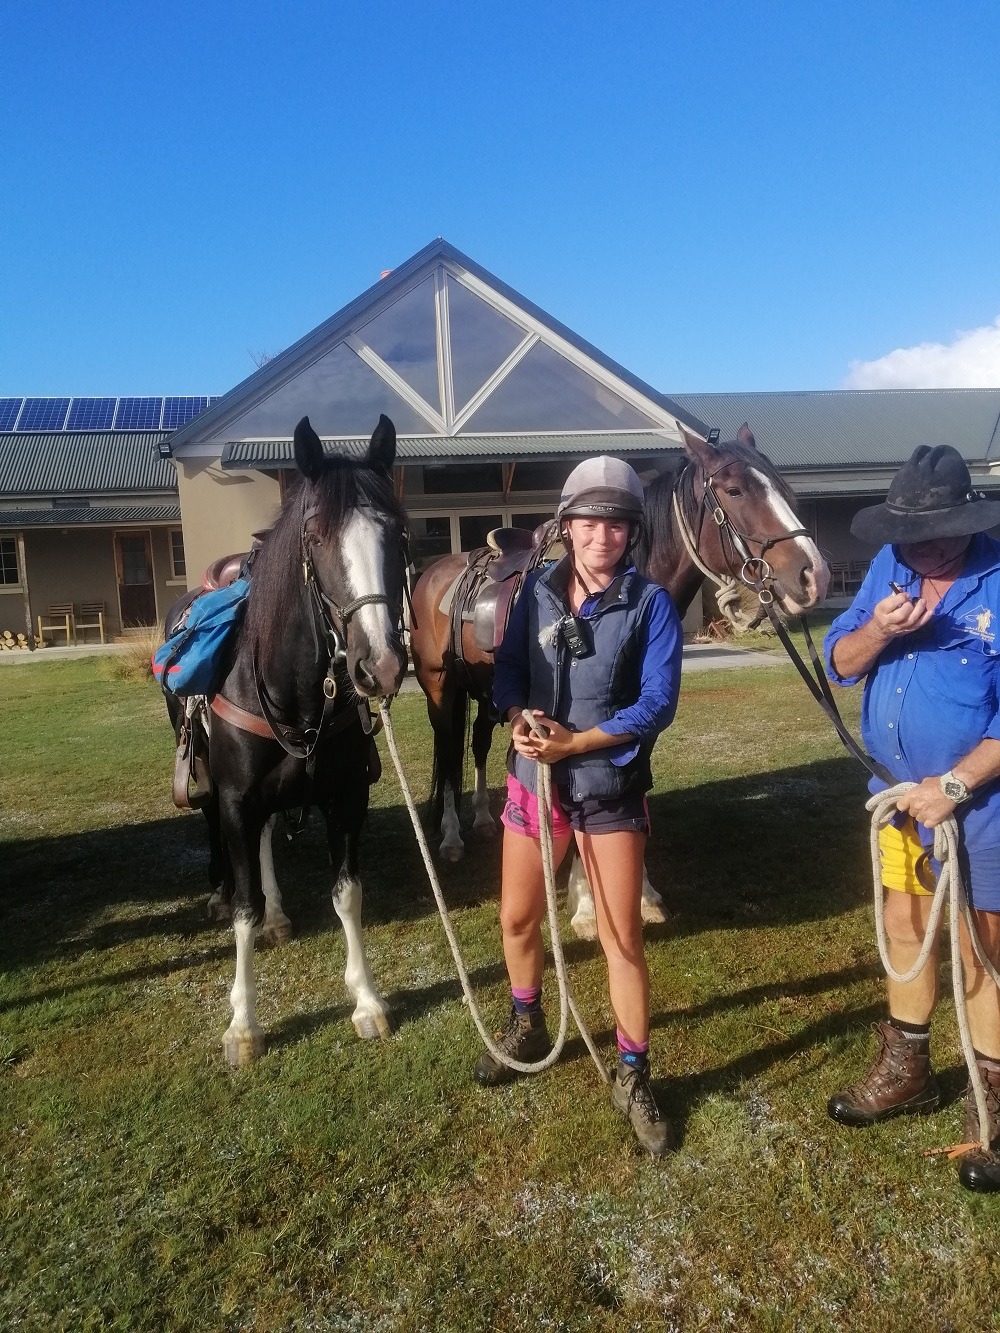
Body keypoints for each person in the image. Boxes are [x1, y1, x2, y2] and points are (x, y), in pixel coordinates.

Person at [475, 455, 683, 1156]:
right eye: (589, 521)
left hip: (609, 788)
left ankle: (634, 1070)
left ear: (632, 531)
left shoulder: (650, 604)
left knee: (621, 934)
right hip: (534, 783)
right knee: (516, 915)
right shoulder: (532, 591)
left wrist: (579, 743)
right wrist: (515, 716)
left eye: (616, 523)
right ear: (566, 527)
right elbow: (506, 667)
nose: (602, 535)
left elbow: (658, 702)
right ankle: (527, 1018)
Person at [824, 444, 1000, 1192]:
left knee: (983, 947)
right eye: (912, 528)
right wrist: (885, 630)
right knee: (905, 925)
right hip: (898, 798)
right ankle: (909, 1065)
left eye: (942, 528)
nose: (926, 543)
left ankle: (991, 1097)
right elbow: (842, 658)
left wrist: (955, 785)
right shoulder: (890, 565)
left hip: (982, 805)